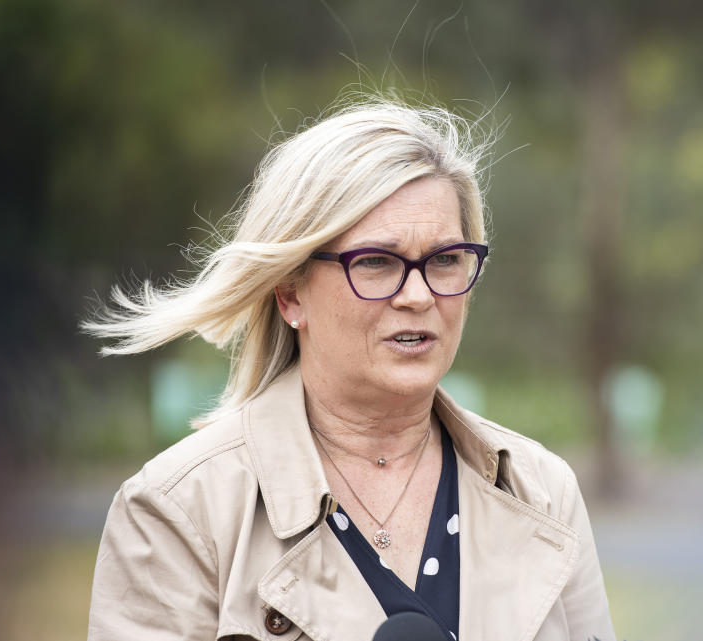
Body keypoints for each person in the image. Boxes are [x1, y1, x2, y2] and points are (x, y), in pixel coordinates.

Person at [84, 97, 616, 641]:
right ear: (290, 294)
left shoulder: (542, 491)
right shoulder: (178, 511)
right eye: (376, 262)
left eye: (445, 259)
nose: (417, 294)